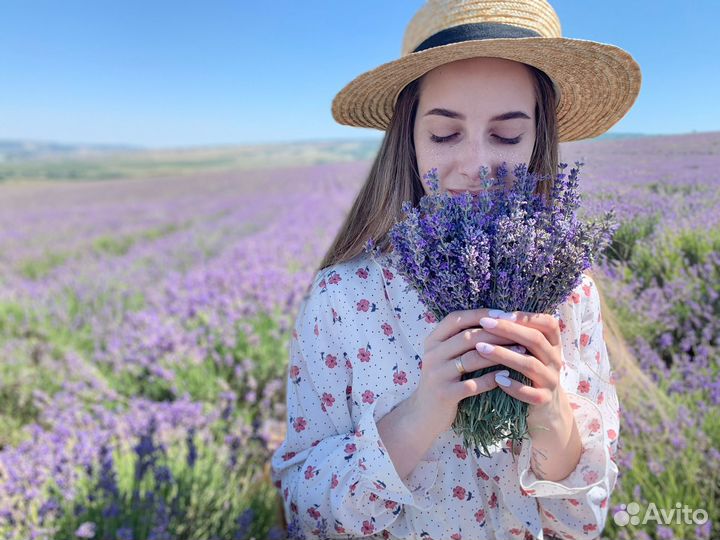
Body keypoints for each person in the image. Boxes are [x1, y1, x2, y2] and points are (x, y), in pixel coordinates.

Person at [271, 0, 641, 538]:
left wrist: (552, 416)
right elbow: (306, 510)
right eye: (445, 134)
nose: (474, 165)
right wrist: (419, 415)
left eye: (507, 135)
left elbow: (585, 522)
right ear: (410, 139)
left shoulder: (572, 292)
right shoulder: (343, 299)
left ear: (540, 138)